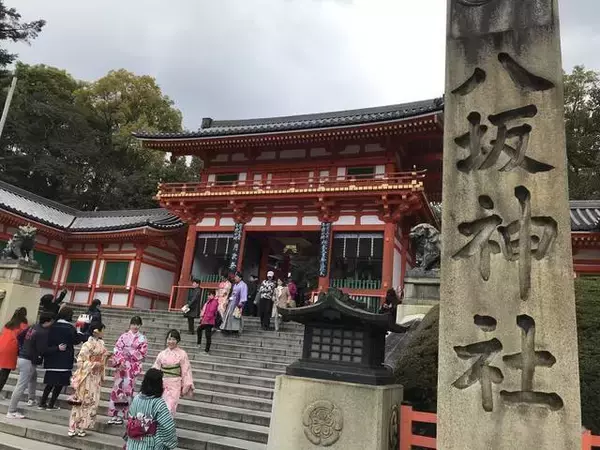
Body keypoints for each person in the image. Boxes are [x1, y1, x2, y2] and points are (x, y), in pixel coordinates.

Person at [7, 312, 64, 419]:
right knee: (21, 385)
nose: (52, 323)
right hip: (28, 360)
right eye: (52, 321)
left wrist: (23, 348)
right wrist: (57, 348)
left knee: (33, 377)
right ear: (47, 321)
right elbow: (43, 350)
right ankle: (11, 410)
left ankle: (31, 399)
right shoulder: (42, 332)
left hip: (24, 357)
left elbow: (20, 336)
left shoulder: (33, 326)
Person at [68, 323, 110, 437]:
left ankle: (83, 427)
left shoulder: (101, 343)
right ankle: (73, 426)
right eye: (102, 330)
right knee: (80, 401)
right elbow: (80, 361)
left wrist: (105, 357)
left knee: (92, 402)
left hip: (95, 377)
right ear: (96, 331)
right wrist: (93, 364)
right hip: (86, 377)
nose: (103, 332)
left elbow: (103, 356)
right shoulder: (87, 344)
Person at [39, 307, 86, 410]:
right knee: (59, 384)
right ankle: (51, 404)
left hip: (51, 358)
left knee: (49, 383)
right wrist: (79, 332)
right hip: (64, 358)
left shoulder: (52, 326)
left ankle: (42, 402)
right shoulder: (70, 328)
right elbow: (76, 340)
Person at [107, 316, 148, 425]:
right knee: (117, 389)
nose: (135, 326)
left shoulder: (142, 339)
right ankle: (114, 414)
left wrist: (129, 352)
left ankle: (122, 414)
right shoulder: (124, 336)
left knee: (127, 389)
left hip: (132, 367)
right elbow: (117, 348)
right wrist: (121, 360)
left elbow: (142, 353)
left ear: (140, 325)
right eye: (133, 324)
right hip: (122, 366)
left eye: (137, 324)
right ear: (130, 325)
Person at [124, 368, 178, 450]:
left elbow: (130, 418)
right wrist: (170, 443)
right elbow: (167, 427)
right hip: (149, 445)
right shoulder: (158, 403)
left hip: (132, 443)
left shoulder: (136, 398)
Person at [152, 330, 194, 416]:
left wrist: (186, 385)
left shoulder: (182, 354)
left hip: (175, 384)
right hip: (162, 384)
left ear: (177, 340)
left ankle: (167, 424)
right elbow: (155, 369)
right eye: (169, 339)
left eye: (173, 339)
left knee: (170, 408)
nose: (171, 341)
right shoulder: (162, 354)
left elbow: (186, 371)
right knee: (159, 407)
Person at [0, 307, 28, 394]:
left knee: (2, 370)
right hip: (11, 349)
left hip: (1, 346)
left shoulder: (8, 324)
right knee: (5, 372)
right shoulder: (23, 325)